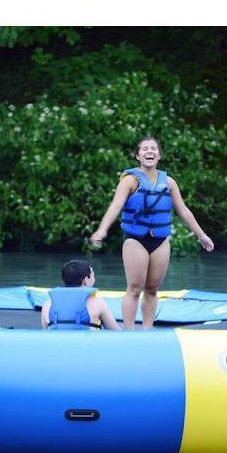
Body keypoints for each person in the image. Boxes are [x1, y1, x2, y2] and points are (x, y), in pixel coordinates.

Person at [89, 136, 214, 329]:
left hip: (160, 240)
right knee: (134, 289)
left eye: (153, 149)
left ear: (159, 155)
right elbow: (115, 206)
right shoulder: (130, 181)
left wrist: (201, 235)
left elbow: (183, 210)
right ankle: (129, 332)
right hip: (135, 240)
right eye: (145, 149)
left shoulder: (169, 182)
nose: (149, 151)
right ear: (138, 156)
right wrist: (102, 230)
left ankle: (148, 330)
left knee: (152, 289)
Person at [40, 259, 120, 330]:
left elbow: (46, 332)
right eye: (92, 276)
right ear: (86, 280)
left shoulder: (48, 304)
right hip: (86, 346)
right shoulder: (98, 303)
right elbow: (115, 332)